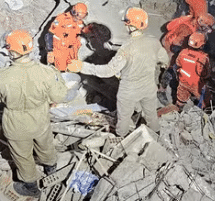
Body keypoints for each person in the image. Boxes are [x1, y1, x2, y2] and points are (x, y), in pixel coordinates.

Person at [0, 30, 68, 197]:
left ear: (11, 51)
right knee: (45, 143)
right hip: (40, 119)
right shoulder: (47, 72)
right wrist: (56, 75)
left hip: (16, 124)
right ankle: (50, 167)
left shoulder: (0, 76)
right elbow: (59, 95)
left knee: (22, 156)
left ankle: (30, 186)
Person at [68, 8, 169, 137]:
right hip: (148, 87)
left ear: (130, 25)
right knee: (151, 116)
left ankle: (121, 140)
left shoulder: (126, 48)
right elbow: (164, 60)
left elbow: (108, 71)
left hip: (129, 90)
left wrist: (82, 67)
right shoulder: (154, 42)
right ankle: (155, 135)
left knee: (124, 119)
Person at [174, 32, 211, 110]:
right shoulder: (203, 57)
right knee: (205, 98)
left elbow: (178, 63)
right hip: (196, 85)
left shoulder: (183, 52)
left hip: (183, 81)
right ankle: (206, 110)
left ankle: (178, 109)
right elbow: (205, 73)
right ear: (202, 45)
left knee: (181, 99)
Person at [47, 2, 89, 71]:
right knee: (60, 70)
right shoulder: (60, 19)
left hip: (73, 52)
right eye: (78, 17)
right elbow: (49, 34)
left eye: (82, 17)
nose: (79, 19)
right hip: (60, 51)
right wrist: (50, 51)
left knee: (73, 70)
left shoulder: (80, 22)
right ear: (73, 12)